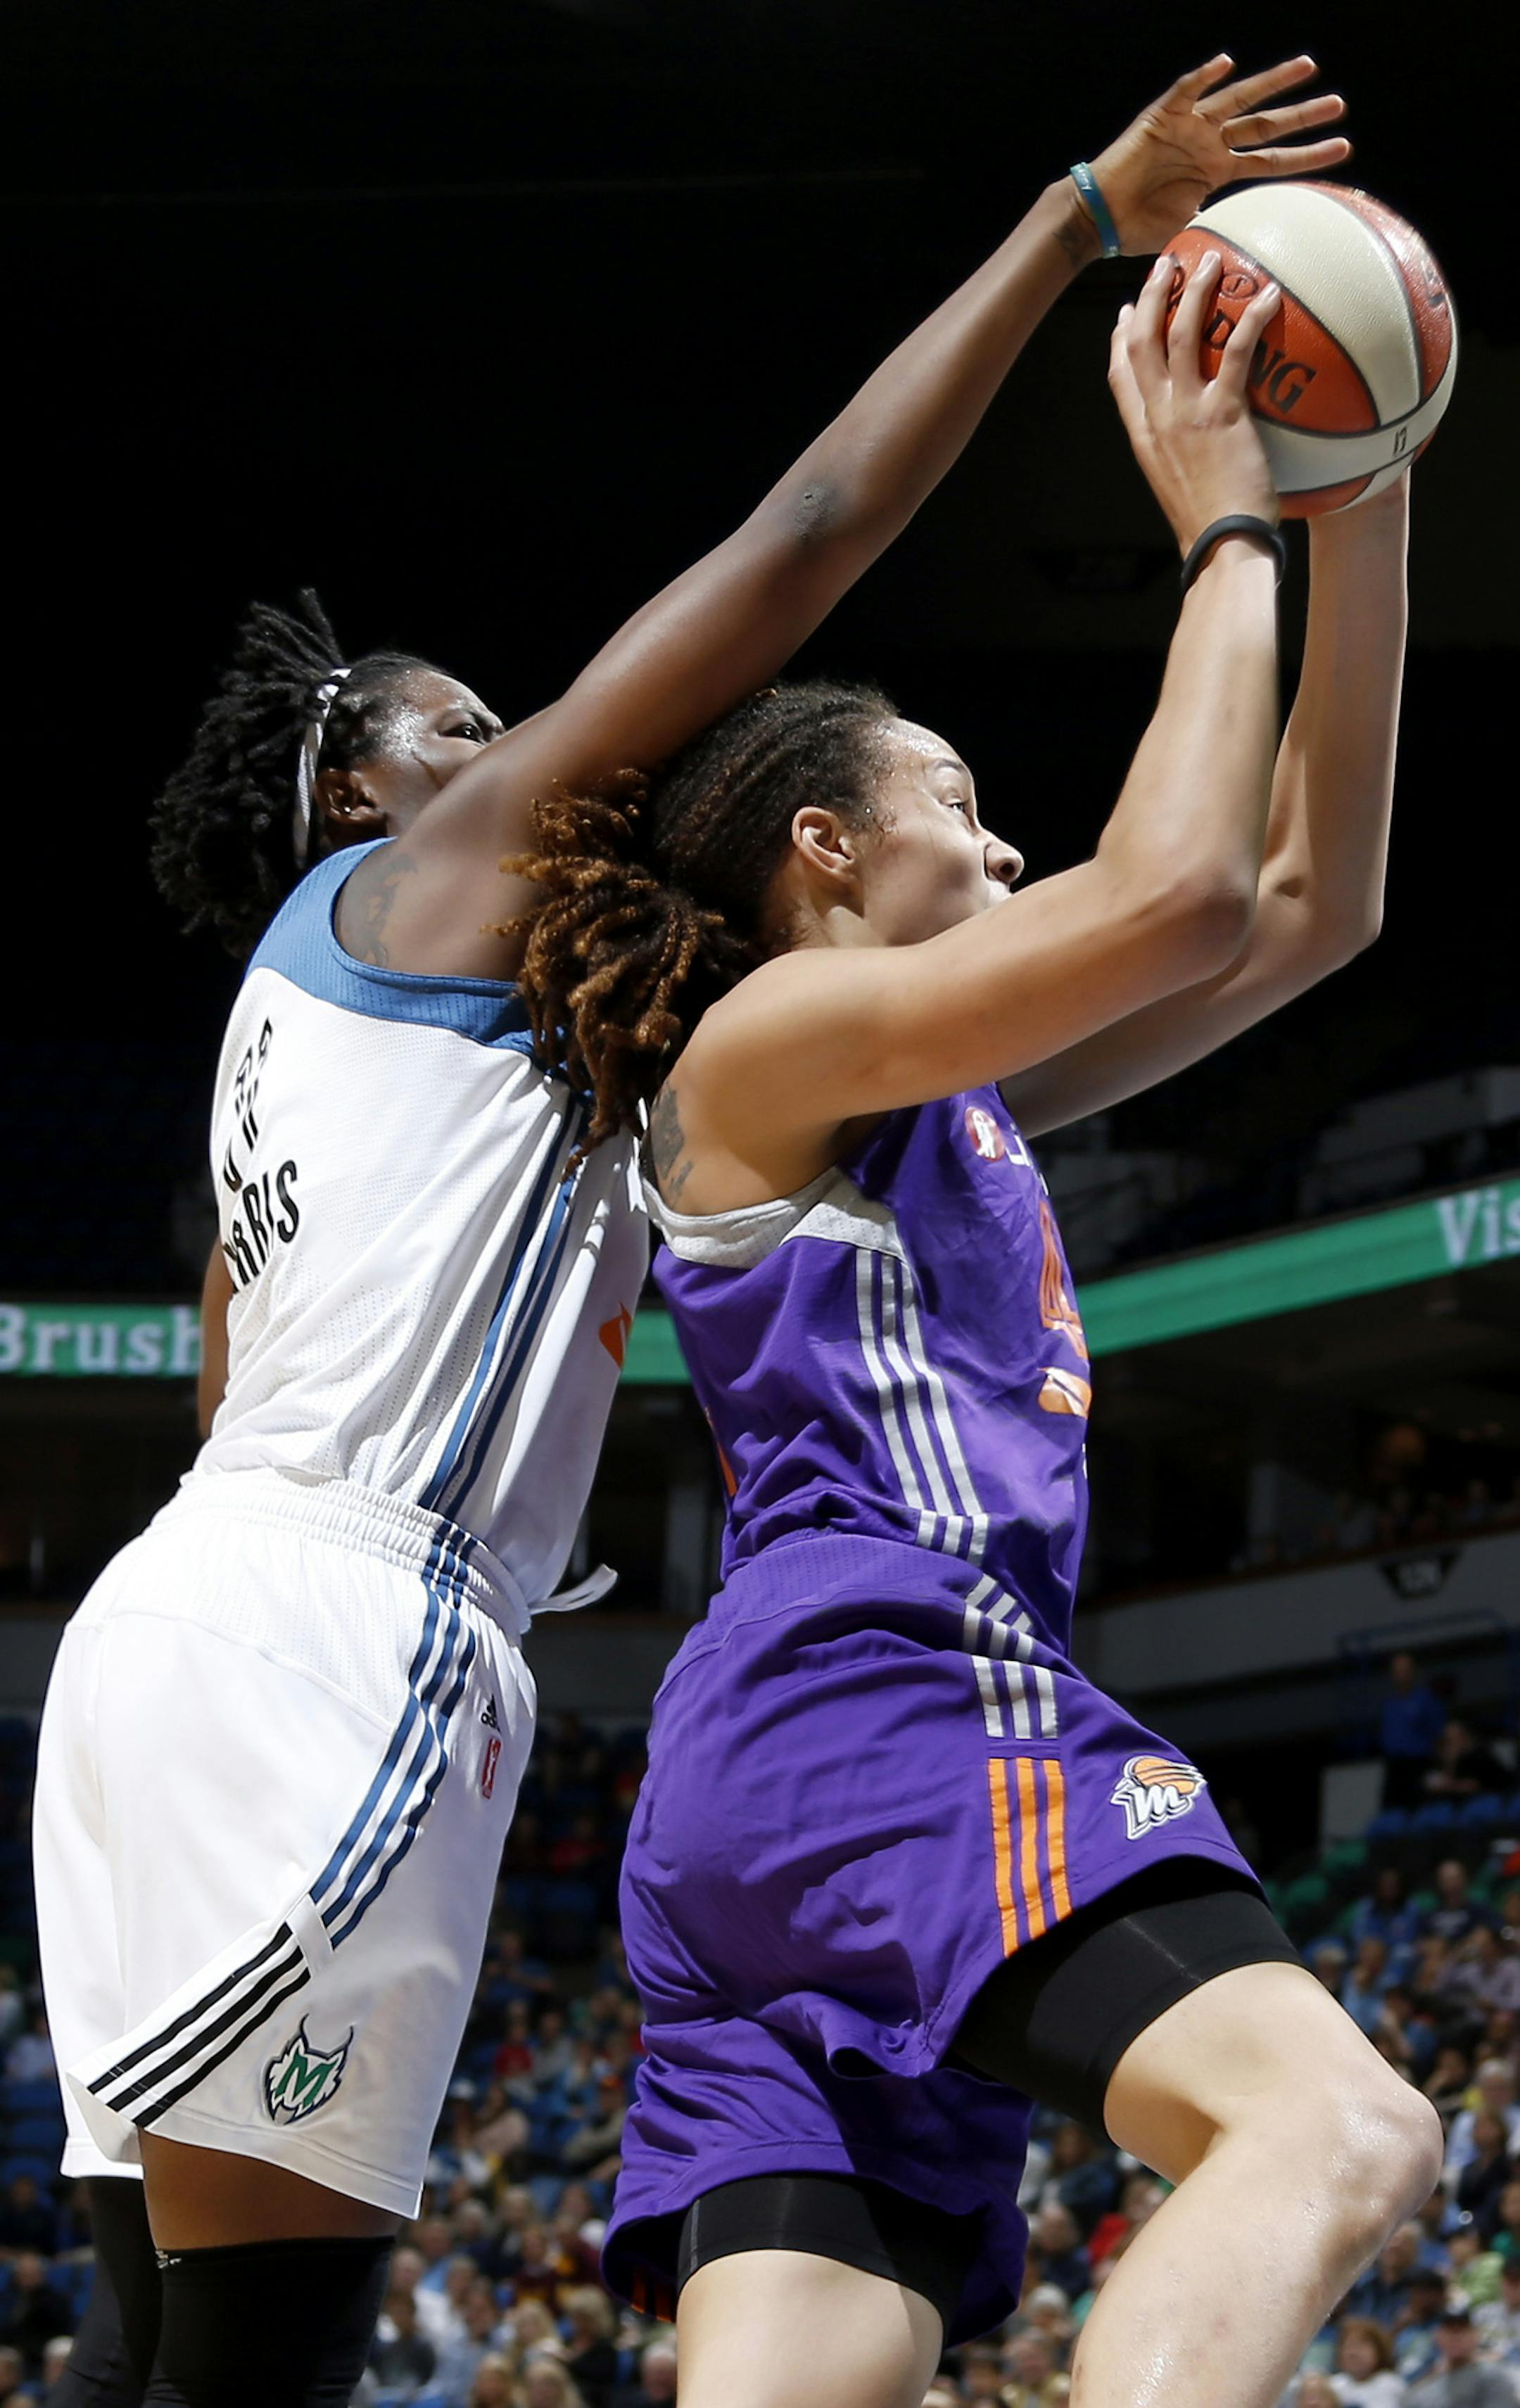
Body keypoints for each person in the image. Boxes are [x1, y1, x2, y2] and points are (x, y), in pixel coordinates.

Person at [42, 54, 1300, 2408]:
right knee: (264, 2356)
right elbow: (810, 525)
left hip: (171, 1636)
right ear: (358, 790)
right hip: (342, 1625)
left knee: (140, 2344)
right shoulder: (422, 882)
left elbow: (227, 1369)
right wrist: (1069, 225)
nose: (545, 750)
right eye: (473, 728)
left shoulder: (335, 1053)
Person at [508, 79, 1442, 2408]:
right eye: (961, 805)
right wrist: (1226, 535)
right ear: (819, 848)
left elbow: (1317, 905)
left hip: (777, 1798)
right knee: (1338, 2123)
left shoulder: (941, 1094)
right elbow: (1183, 888)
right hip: (899, 1693)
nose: (1009, 851)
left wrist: (1369, 488)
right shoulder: (776, 1039)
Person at [1407, 2305, 1519, 2406]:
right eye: (1450, 2331)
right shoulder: (1425, 2381)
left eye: (1461, 2330)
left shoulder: (1492, 2375)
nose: (1455, 2337)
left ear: (1475, 2335)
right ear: (1438, 2336)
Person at [1383, 1657, 1448, 1807]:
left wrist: (1439, 1766)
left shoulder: (1427, 1700)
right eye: (1397, 1671)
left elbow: (1438, 1734)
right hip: (1395, 1766)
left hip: (1419, 1763)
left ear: (1413, 1673)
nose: (1401, 1675)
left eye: (1405, 1671)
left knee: (1420, 1807)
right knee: (1391, 1810)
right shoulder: (1389, 1704)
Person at [1332, 2319, 1409, 2407]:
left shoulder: (1390, 2385)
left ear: (1379, 2351)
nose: (1353, 2353)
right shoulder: (1334, 2385)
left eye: (1360, 2346)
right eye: (1348, 2346)